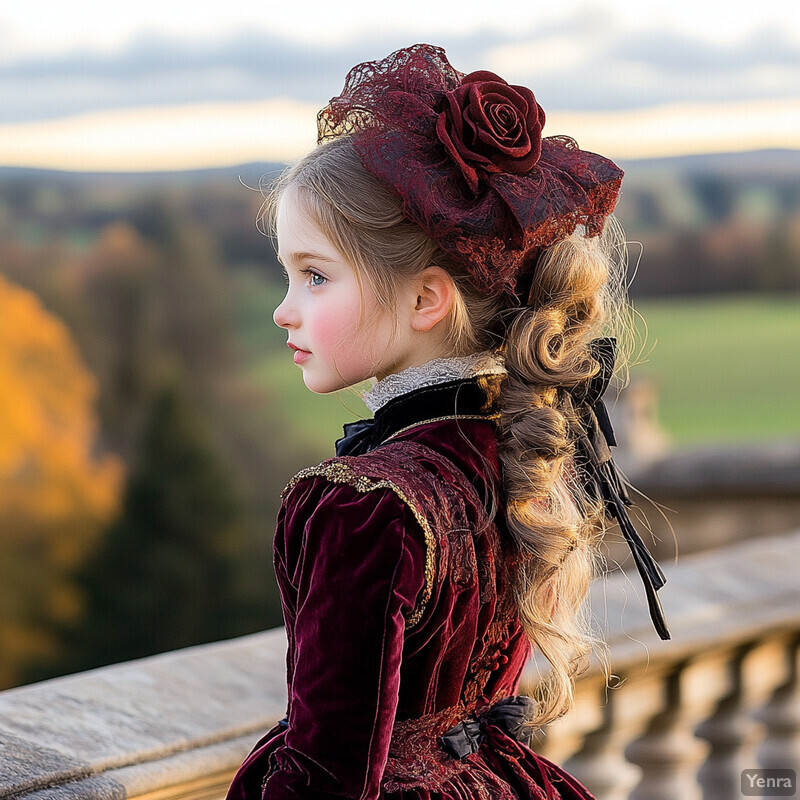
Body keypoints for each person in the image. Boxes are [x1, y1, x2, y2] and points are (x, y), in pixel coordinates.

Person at [227, 43, 670, 800]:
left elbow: (327, 777)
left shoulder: (362, 505)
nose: (284, 309)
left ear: (426, 301)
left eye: (315, 276)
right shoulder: (518, 448)